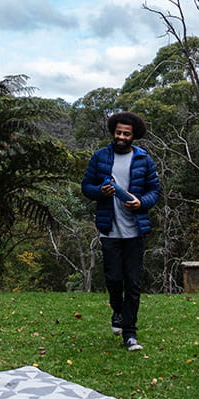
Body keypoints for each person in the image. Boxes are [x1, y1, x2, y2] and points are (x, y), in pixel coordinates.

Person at [81, 111, 160, 351]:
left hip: (135, 230)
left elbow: (154, 191)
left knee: (133, 284)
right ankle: (117, 310)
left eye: (126, 133)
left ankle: (130, 334)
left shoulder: (144, 160)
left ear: (133, 136)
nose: (122, 137)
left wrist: (141, 203)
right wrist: (99, 192)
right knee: (114, 279)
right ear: (113, 132)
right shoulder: (100, 157)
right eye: (118, 132)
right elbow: (86, 186)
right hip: (109, 229)